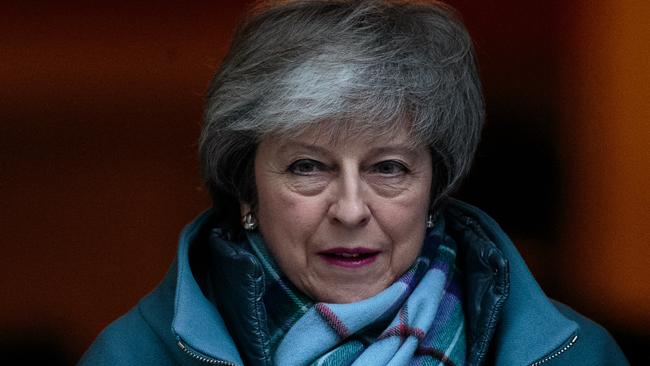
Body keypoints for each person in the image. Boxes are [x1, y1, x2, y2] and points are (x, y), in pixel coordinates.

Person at [80, 1, 629, 365]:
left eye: (388, 168)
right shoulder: (131, 356)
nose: (349, 210)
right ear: (246, 187)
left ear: (434, 187)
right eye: (307, 167)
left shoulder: (579, 356)